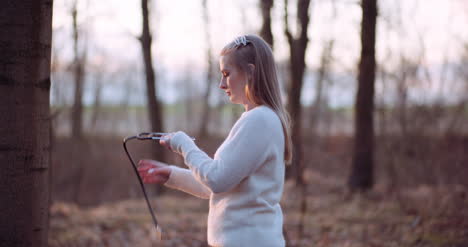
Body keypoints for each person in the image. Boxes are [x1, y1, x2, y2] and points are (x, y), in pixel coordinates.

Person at [137, 34, 292, 247]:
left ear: (250, 72)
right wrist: (172, 174)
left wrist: (183, 144)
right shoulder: (259, 119)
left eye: (227, 74)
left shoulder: (260, 120)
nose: (221, 84)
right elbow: (218, 184)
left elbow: (217, 179)